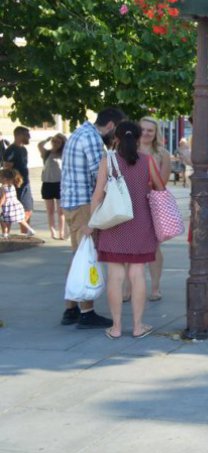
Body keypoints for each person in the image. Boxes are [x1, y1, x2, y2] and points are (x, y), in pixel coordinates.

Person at [83, 121, 163, 339]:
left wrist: (92, 223)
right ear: (138, 139)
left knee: (115, 276)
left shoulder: (107, 162)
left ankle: (116, 327)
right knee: (137, 275)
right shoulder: (148, 161)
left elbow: (98, 195)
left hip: (113, 224)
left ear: (115, 138)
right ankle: (138, 327)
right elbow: (160, 188)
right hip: (141, 224)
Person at [60, 107, 125, 329]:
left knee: (77, 255)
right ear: (110, 126)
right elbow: (101, 174)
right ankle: (86, 312)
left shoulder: (79, 132)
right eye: (114, 131)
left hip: (71, 202)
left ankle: (71, 309)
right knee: (87, 255)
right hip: (84, 204)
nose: (114, 136)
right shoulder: (92, 139)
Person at [139, 117, 171, 302]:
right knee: (131, 247)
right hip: (131, 204)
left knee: (153, 246)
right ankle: (128, 288)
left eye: (150, 130)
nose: (146, 133)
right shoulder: (129, 150)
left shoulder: (162, 153)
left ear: (155, 133)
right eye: (142, 129)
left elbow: (163, 182)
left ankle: (155, 287)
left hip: (153, 203)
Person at [2, 126, 33, 230]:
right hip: (15, 185)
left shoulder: (23, 149)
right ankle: (6, 235)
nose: (29, 137)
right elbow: (7, 169)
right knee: (9, 211)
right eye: (26, 134)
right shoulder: (11, 150)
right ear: (18, 135)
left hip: (25, 183)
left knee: (27, 209)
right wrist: (7, 186)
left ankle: (25, 234)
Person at [38, 134, 67, 240]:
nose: (55, 144)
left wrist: (64, 140)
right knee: (50, 210)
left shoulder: (64, 153)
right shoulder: (47, 153)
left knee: (61, 211)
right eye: (54, 141)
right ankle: (52, 231)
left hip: (60, 184)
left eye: (58, 142)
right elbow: (40, 145)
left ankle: (62, 232)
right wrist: (48, 139)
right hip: (47, 183)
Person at [1, 168, 35, 237]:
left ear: (5, 179)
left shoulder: (3, 187)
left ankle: (5, 233)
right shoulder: (13, 186)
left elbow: (3, 198)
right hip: (16, 205)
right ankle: (30, 230)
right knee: (21, 220)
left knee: (4, 220)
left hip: (8, 207)